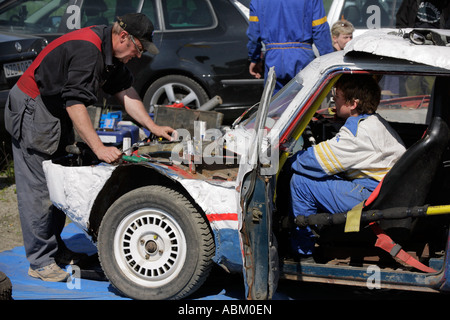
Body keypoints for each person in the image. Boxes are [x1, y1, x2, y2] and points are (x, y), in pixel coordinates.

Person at [4, 13, 175, 282]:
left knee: (57, 180)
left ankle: (55, 250)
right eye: (138, 48)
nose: (139, 55)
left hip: (57, 110)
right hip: (35, 108)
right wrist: (99, 148)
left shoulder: (112, 54)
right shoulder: (88, 50)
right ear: (123, 37)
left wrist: (152, 127)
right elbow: (75, 103)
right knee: (38, 187)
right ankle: (40, 262)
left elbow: (126, 92)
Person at [289, 74, 406, 256]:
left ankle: (303, 251)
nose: (333, 100)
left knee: (300, 182)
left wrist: (286, 161)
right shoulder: (374, 122)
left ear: (353, 103)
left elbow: (312, 161)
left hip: (371, 198)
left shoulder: (357, 133)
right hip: (384, 193)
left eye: (337, 97)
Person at [247, 0, 334, 93]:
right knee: (305, 104)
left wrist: (254, 58)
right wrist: (330, 63)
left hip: (273, 59)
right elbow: (320, 31)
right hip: (302, 58)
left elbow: (254, 34)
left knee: (275, 105)